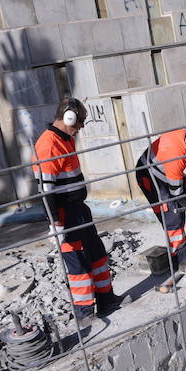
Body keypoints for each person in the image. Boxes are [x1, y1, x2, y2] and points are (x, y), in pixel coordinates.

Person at [33, 98, 122, 324]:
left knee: (97, 254)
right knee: (78, 264)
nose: (82, 126)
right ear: (69, 118)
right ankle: (84, 313)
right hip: (65, 213)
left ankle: (106, 300)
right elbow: (45, 191)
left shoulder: (65, 139)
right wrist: (56, 224)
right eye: (81, 121)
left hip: (79, 209)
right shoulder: (48, 144)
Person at [135, 123, 186, 291]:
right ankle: (180, 260)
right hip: (149, 176)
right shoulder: (176, 154)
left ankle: (181, 252)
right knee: (172, 216)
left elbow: (181, 183)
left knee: (180, 207)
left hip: (162, 171)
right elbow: (178, 193)